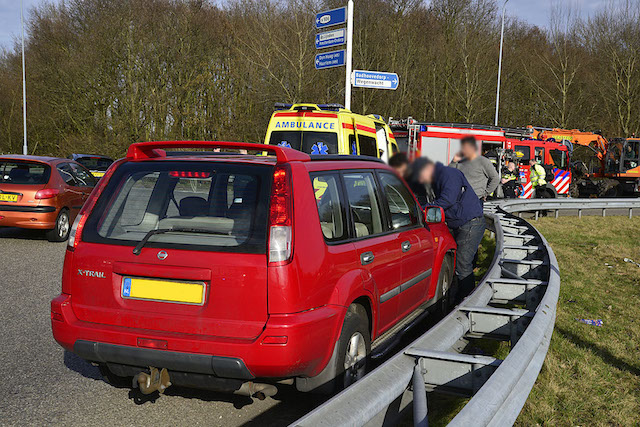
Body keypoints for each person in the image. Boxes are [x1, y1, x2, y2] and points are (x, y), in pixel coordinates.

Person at [413, 158, 485, 300]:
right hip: (460, 222)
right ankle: (459, 295)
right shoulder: (437, 179)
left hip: (470, 223)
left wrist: (420, 210)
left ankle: (467, 302)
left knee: (462, 264)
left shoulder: (449, 175)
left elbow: (447, 200)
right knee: (460, 263)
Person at [450, 137, 500, 203]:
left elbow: (495, 178)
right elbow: (449, 175)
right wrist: (453, 161)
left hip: (476, 199)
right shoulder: (460, 161)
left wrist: (485, 193)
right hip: (460, 199)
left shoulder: (483, 161)